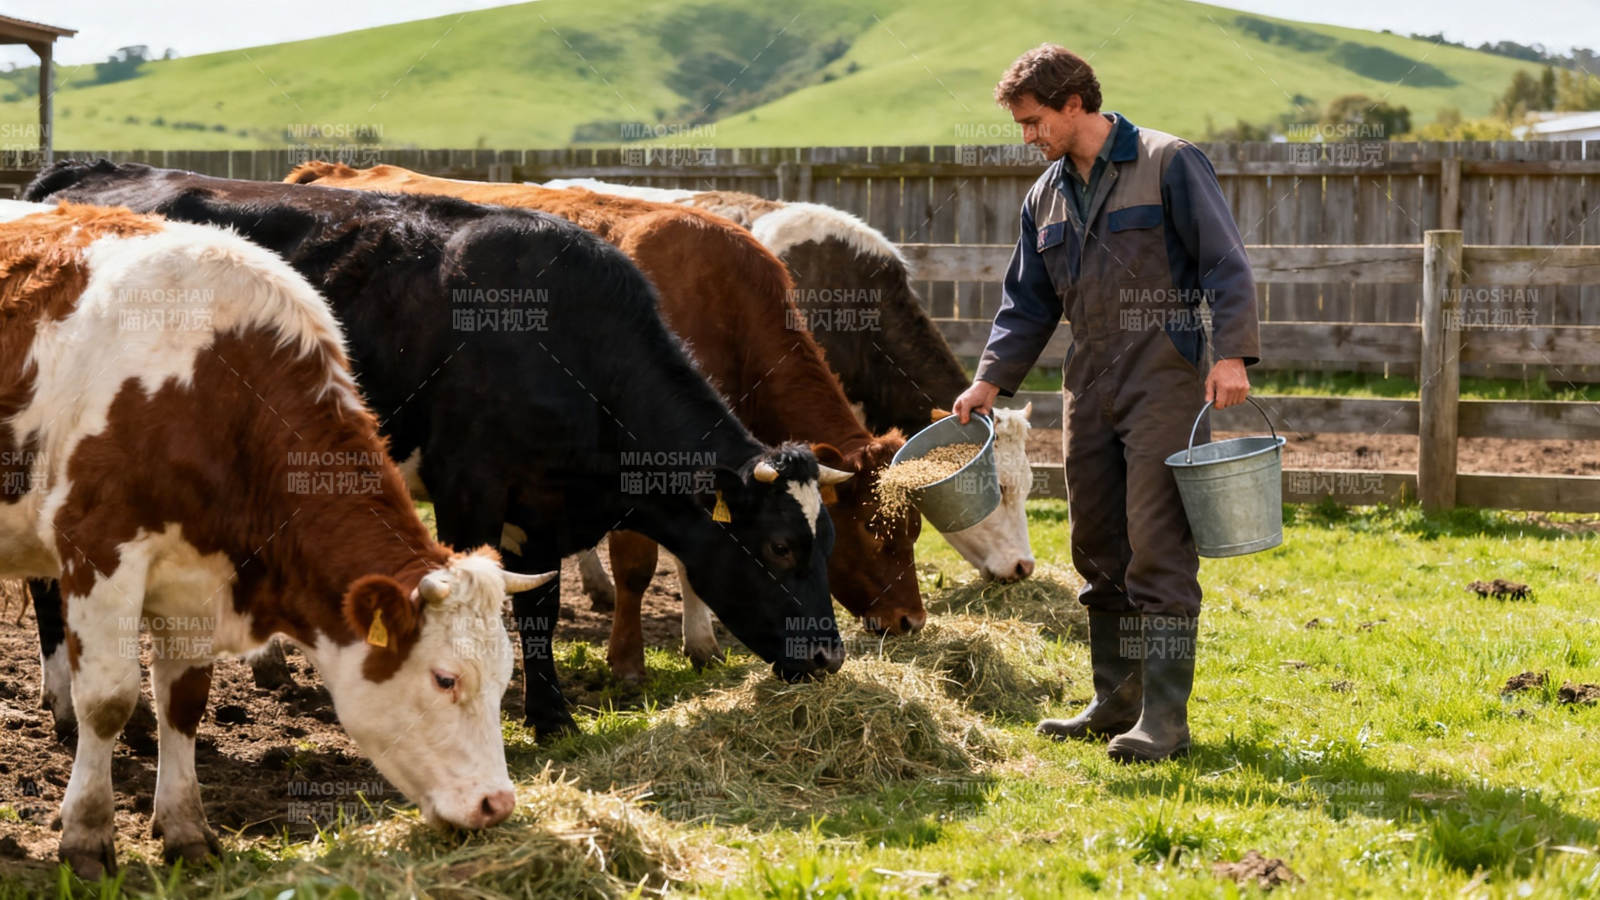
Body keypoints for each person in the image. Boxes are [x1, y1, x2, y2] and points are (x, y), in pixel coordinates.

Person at [952, 44, 1261, 762]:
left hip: (1165, 377)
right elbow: (1025, 303)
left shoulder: (1168, 162)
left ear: (1073, 104)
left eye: (1034, 122)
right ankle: (1113, 701)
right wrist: (988, 381)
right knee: (1096, 545)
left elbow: (1225, 261)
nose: (1028, 138)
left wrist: (1232, 353)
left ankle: (1164, 720)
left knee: (1157, 546)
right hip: (1087, 384)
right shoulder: (1045, 197)